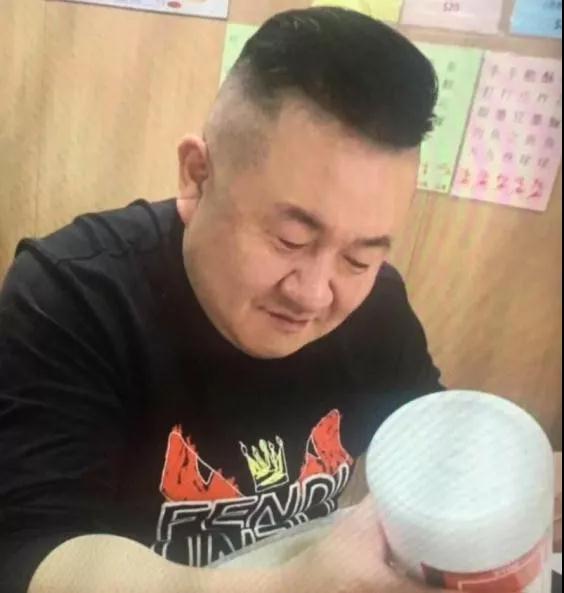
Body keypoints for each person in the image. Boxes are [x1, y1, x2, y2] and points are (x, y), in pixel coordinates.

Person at [0, 7, 558, 593]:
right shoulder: (75, 294)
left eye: (359, 257)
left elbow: (430, 447)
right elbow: (31, 553)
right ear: (197, 175)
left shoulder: (376, 308)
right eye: (291, 239)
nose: (314, 294)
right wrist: (285, 587)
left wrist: (515, 488)